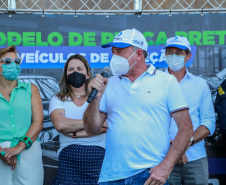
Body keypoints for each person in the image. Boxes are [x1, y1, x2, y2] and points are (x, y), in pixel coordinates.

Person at [83, 28, 193, 185]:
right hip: (111, 176)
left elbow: (186, 128)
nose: (114, 56)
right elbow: (91, 129)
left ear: (139, 54)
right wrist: (96, 98)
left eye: (120, 51)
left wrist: (166, 167)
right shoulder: (108, 83)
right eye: (113, 52)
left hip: (149, 175)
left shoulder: (166, 81)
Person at [164, 36, 216, 185]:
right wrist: (173, 147)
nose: (173, 56)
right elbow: (149, 120)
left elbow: (208, 121)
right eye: (170, 52)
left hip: (195, 157)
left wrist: (186, 142)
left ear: (188, 56)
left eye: (178, 53)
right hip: (162, 156)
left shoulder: (200, 85)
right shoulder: (155, 81)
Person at [49, 54, 107, 185]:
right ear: (66, 74)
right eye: (71, 70)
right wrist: (93, 125)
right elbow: (60, 125)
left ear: (88, 74)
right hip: (68, 161)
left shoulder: (100, 97)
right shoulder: (58, 99)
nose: (75, 72)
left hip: (97, 159)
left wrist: (73, 132)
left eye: (79, 69)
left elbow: (106, 126)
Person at [0, 45, 44, 185]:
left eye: (17, 61)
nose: (13, 65)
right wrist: (3, 153)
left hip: (27, 149)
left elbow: (38, 122)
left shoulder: (31, 89)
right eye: (7, 62)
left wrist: (18, 147)